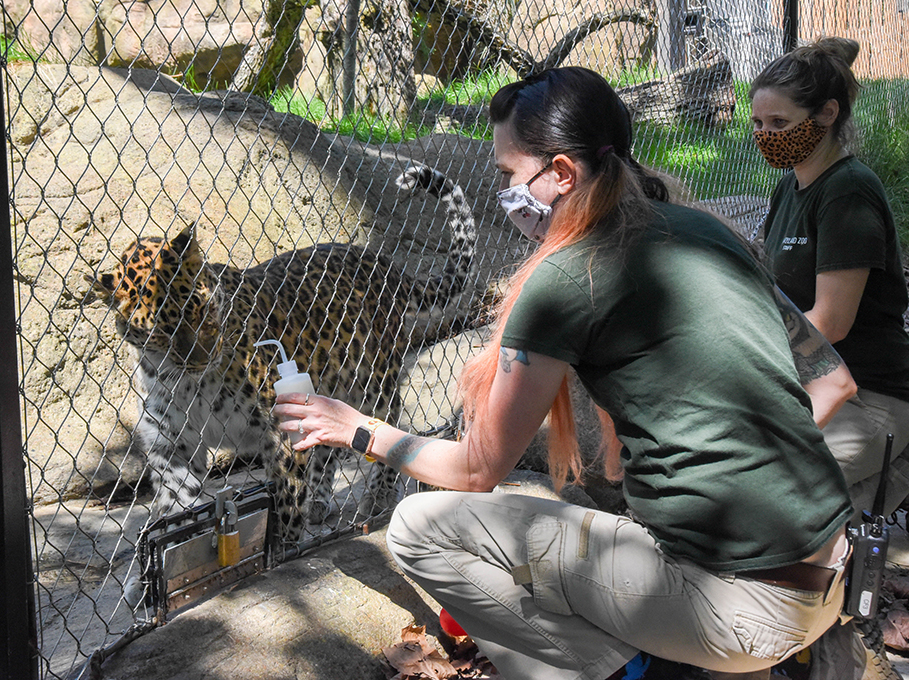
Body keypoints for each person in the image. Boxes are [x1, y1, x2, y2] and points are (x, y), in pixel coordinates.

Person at [272, 67, 856, 679]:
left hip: (736, 611)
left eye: (506, 176)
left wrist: (359, 429)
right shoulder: (708, 230)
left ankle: (636, 673)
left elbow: (475, 470)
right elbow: (831, 379)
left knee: (420, 527)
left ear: (561, 173)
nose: (502, 194)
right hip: (832, 573)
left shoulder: (565, 279)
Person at [751, 37, 909, 519]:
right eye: (757, 123)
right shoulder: (790, 185)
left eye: (780, 123)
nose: (766, 134)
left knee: (769, 497)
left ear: (825, 114)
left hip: (868, 393)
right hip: (811, 384)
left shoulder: (847, 190)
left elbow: (830, 323)